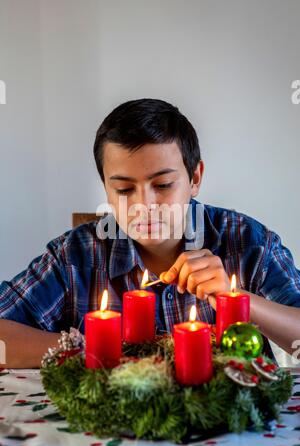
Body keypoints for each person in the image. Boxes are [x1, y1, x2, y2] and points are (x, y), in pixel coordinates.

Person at [1, 98, 300, 368]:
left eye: (162, 185)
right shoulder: (76, 256)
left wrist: (235, 298)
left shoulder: (247, 241)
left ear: (194, 178)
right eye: (124, 189)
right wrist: (95, 348)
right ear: (105, 186)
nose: (144, 205)